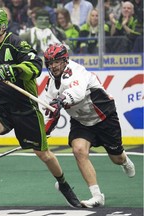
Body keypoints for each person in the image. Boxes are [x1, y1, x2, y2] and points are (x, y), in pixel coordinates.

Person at [0, 8, 81, 208]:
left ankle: (63, 184)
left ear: (2, 26)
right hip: (2, 105)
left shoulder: (16, 43)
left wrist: (11, 70)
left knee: (43, 154)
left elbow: (35, 65)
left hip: (26, 106)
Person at [43, 43, 136, 208]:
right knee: (78, 150)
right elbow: (48, 108)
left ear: (65, 60)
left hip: (104, 117)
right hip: (81, 122)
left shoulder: (77, 71)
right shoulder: (51, 84)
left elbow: (77, 93)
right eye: (50, 62)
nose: (53, 66)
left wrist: (61, 100)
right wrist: (43, 130)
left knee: (116, 158)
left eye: (57, 61)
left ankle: (124, 160)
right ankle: (97, 196)